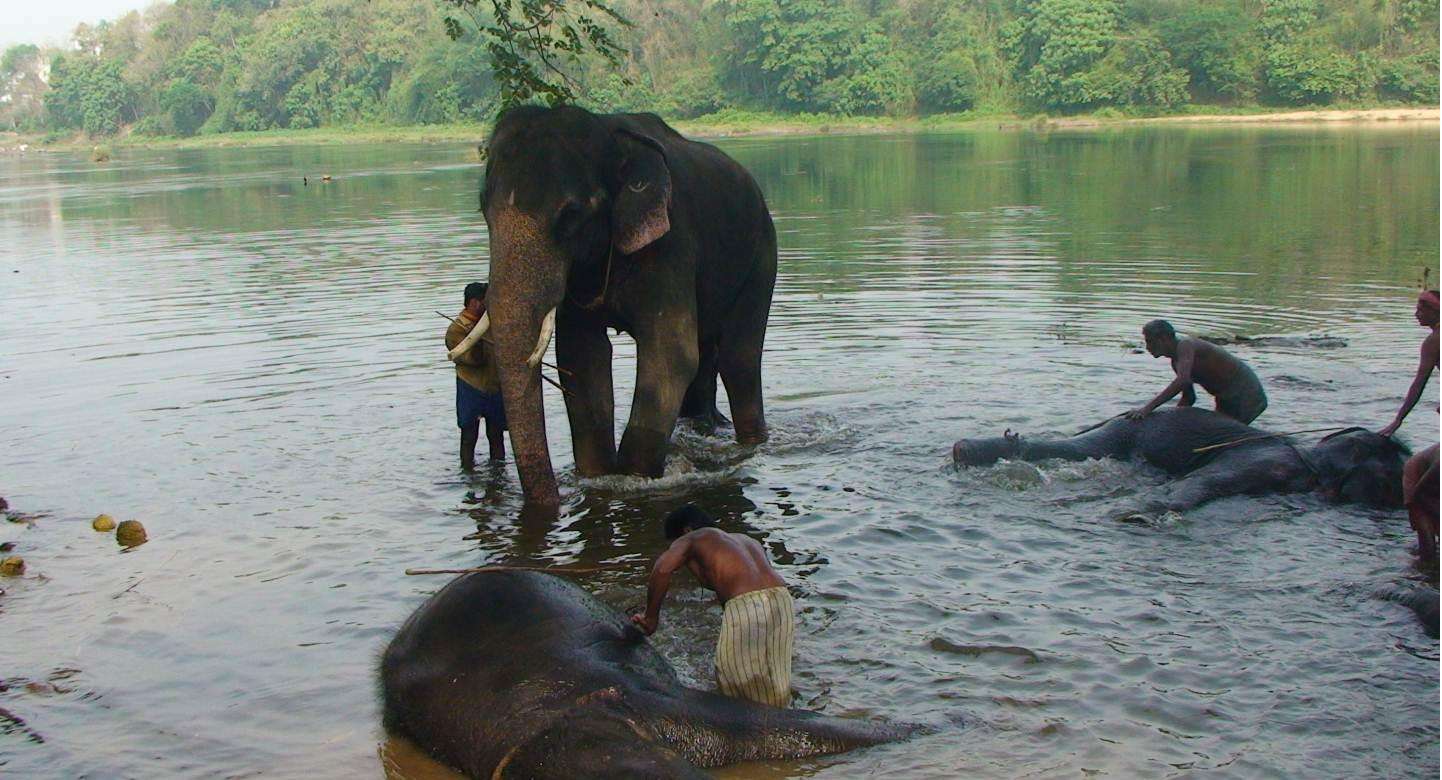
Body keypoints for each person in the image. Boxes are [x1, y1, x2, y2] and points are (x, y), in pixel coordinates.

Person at [630, 505, 794, 707]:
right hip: (782, 599)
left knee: (736, 688)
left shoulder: (692, 538)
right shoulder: (744, 540)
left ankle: (747, 735)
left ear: (686, 530)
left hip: (748, 604)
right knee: (775, 684)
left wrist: (650, 617)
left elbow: (662, 569)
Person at [1379, 289, 1439, 567]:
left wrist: (1398, 420)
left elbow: (1419, 384)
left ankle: (1427, 557)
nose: (1417, 312)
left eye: (1424, 306)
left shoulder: (1434, 341)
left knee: (1416, 483)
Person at [1127, 319, 1268, 425]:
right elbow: (1189, 399)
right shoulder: (1177, 362)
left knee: (1224, 439)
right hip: (1226, 399)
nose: (1147, 347)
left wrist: (1147, 409)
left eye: (1150, 342)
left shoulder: (1185, 345)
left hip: (1246, 394)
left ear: (1163, 339)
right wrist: (1169, 420)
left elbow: (1183, 381)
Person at [446, 282, 506, 470]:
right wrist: (479, 343)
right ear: (474, 303)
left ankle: (498, 471)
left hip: (493, 387)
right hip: (470, 387)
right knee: (469, 435)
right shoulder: (457, 329)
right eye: (484, 301)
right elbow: (469, 358)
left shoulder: (490, 324)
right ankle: (467, 470)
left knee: (496, 435)